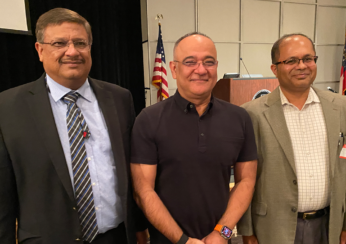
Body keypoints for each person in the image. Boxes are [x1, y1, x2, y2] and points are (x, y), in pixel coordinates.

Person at [0, 8, 147, 244]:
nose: (72, 51)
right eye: (59, 43)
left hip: (116, 237)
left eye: (80, 43)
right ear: (40, 50)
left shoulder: (119, 98)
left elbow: (130, 173)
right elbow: (3, 196)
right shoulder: (7, 108)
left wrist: (139, 229)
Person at [130, 32, 257, 244]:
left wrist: (222, 233)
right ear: (173, 69)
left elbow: (246, 181)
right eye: (190, 62)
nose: (201, 70)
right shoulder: (149, 120)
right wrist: (182, 241)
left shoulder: (240, 118)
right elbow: (143, 191)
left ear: (216, 67)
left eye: (209, 62)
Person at [238, 33, 346, 244]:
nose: (302, 66)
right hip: (272, 229)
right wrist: (247, 231)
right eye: (291, 61)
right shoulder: (251, 114)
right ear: (275, 68)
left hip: (330, 226)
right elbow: (245, 179)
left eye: (308, 59)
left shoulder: (343, 108)